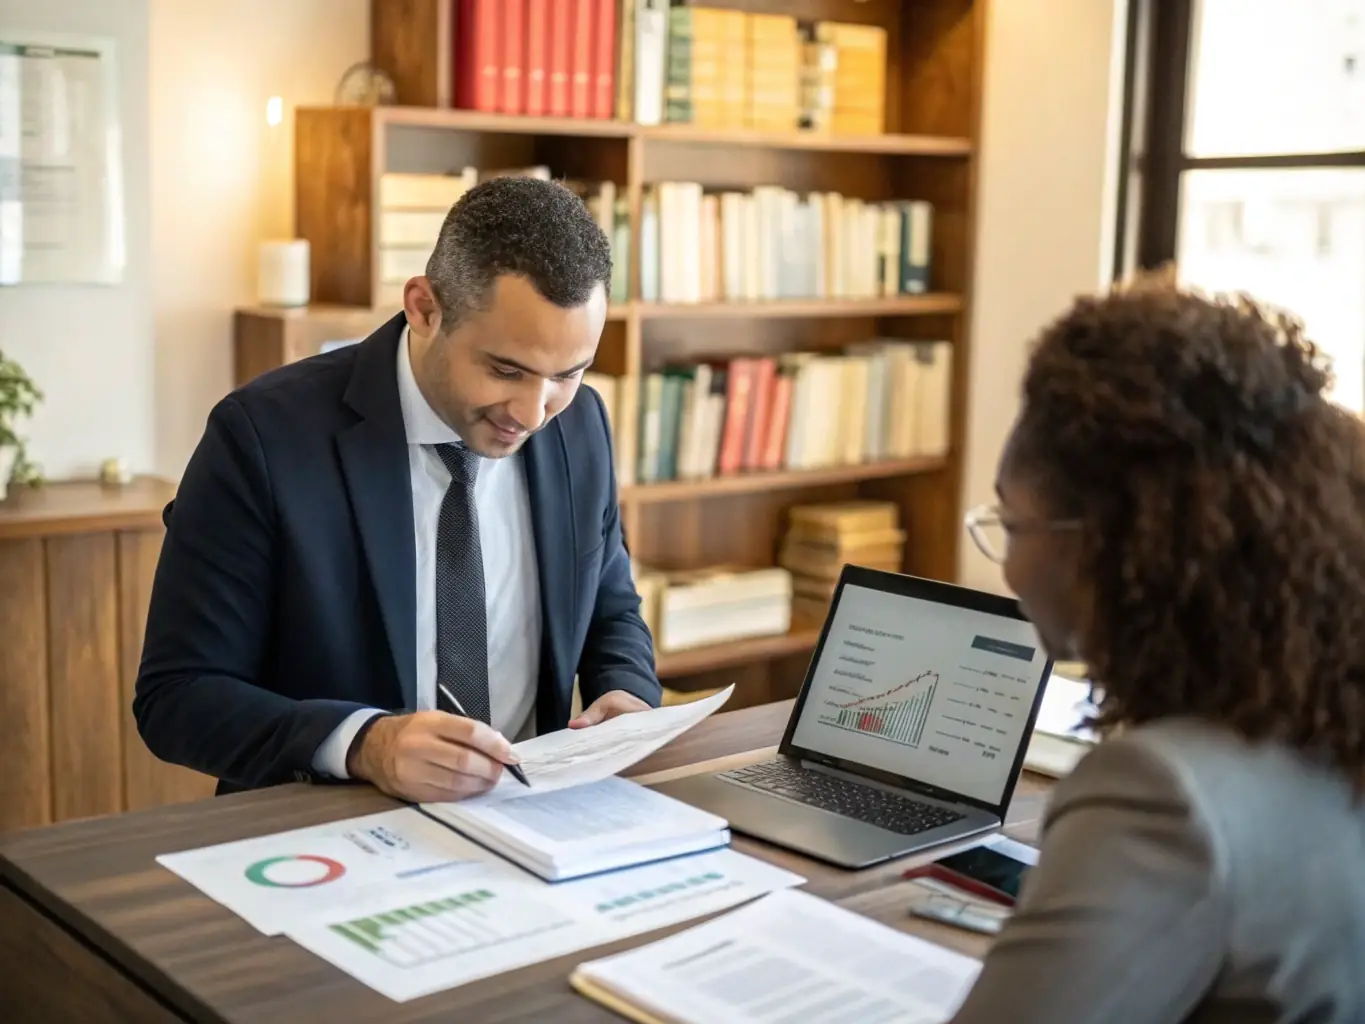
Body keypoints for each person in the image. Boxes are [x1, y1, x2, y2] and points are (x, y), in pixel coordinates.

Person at [134, 177, 661, 804]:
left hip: (533, 829)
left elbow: (610, 604)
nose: (534, 411)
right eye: (504, 370)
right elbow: (178, 696)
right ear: (424, 307)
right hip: (326, 839)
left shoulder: (581, 425)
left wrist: (626, 689)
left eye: (568, 374)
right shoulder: (262, 437)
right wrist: (365, 745)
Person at [952, 278, 1365, 1022]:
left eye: (1012, 526)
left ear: (1112, 545)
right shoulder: (1329, 721)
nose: (1005, 565)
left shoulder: (1161, 796)